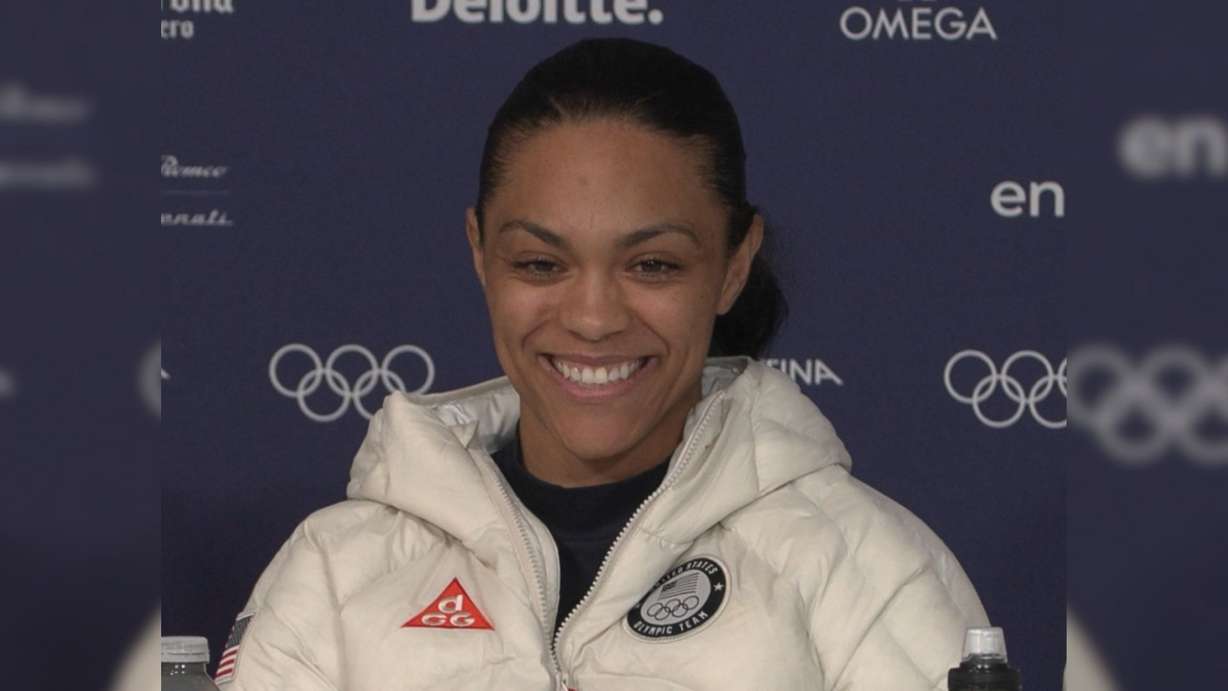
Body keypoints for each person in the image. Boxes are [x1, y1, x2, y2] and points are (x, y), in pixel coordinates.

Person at [219, 38, 988, 690]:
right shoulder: (334, 571)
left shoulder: (868, 570)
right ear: (481, 255)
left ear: (731, 266)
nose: (592, 318)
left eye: (652, 265)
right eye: (540, 263)